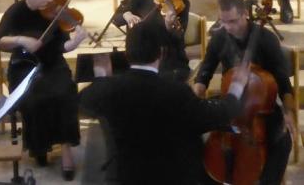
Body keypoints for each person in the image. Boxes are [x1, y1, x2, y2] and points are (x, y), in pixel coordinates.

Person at [80, 20, 249, 185]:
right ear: (161, 53)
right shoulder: (177, 92)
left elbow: (83, 102)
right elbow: (221, 114)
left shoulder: (108, 90)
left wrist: (102, 78)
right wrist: (236, 87)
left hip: (125, 178)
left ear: (126, 54)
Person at [0, 0, 90, 180]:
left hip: (53, 63)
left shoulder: (54, 11)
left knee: (64, 93)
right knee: (35, 99)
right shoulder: (16, 12)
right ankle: (40, 147)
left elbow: (62, 46)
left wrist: (76, 41)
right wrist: (20, 40)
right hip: (24, 66)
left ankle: (66, 150)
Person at [193, 0, 295, 184]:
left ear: (245, 14)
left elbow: (283, 82)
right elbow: (205, 72)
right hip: (228, 104)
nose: (228, 27)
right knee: (192, 133)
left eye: (232, 21)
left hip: (261, 108)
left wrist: (289, 112)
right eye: (223, 22)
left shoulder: (267, 40)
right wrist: (195, 94)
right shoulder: (219, 38)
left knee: (283, 139)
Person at [112, 0, 190, 82]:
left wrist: (169, 25)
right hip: (140, 55)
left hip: (167, 58)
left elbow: (178, 38)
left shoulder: (182, 3)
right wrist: (127, 15)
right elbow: (116, 18)